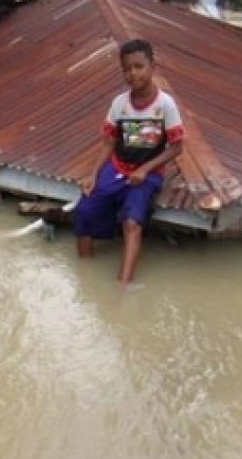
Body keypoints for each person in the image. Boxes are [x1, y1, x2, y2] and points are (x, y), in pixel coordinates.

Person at [73, 39, 185, 285]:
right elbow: (108, 143)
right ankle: (85, 275)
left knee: (132, 223)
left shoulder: (165, 105)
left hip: (149, 173)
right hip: (117, 168)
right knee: (84, 210)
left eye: (139, 66)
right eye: (127, 68)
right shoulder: (119, 103)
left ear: (152, 66)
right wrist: (92, 174)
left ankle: (121, 287)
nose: (133, 73)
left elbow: (177, 147)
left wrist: (145, 169)